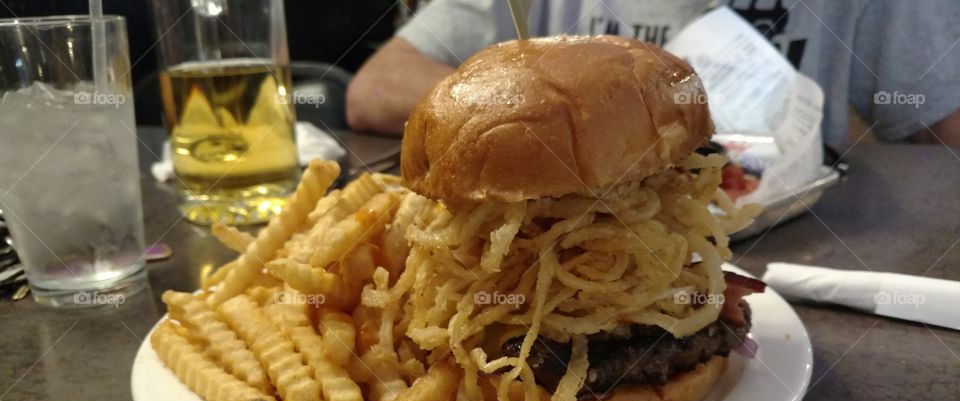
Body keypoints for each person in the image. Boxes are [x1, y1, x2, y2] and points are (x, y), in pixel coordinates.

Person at [346, 0, 960, 148]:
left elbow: (941, 124)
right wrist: (541, 121)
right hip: (551, 252)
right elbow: (374, 87)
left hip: (803, 255)